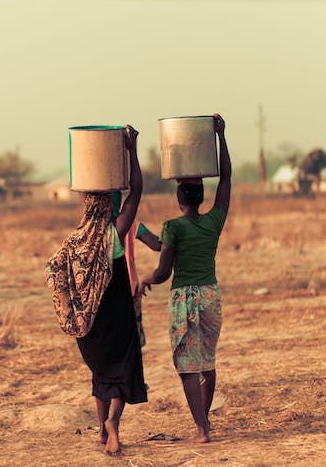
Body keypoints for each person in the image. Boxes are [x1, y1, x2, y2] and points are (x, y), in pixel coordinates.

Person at [46, 126, 146, 456]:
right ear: (106, 208)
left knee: (101, 376)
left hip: (88, 329)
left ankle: (103, 432)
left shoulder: (73, 243)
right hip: (117, 321)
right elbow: (135, 195)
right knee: (122, 372)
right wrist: (131, 149)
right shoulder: (113, 236)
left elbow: (54, 272)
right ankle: (114, 423)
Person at [140, 113, 231, 444]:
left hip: (184, 300)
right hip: (210, 296)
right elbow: (227, 181)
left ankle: (201, 429)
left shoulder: (173, 227)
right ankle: (204, 422)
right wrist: (221, 136)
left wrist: (145, 280)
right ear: (201, 198)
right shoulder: (214, 221)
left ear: (179, 199)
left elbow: (164, 271)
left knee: (188, 367)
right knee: (207, 362)